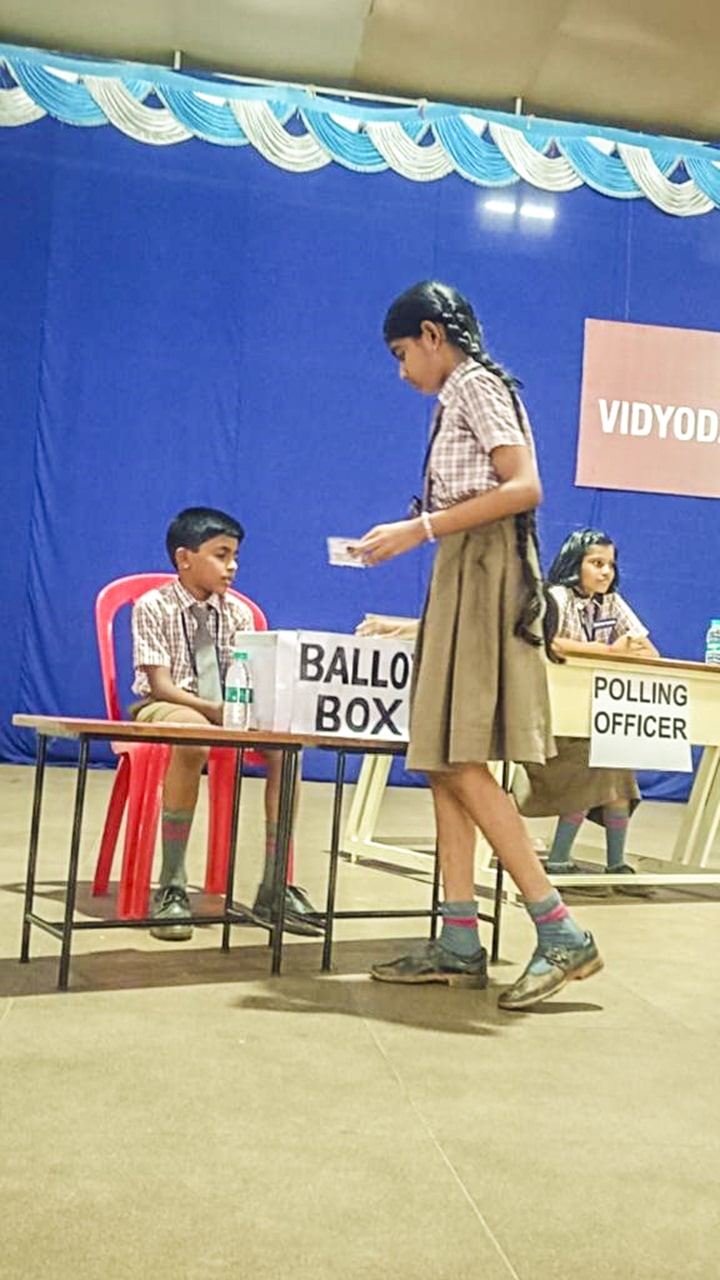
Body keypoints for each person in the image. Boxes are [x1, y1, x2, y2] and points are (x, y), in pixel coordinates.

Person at [353, 281, 602, 1011]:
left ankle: (559, 930)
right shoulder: (457, 396)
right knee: (438, 755)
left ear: (433, 335)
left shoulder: (477, 386)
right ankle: (459, 938)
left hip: (485, 564)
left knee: (460, 754)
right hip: (464, 563)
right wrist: (419, 532)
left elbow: (525, 486)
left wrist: (420, 529)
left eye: (403, 353)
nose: (402, 370)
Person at [130, 506, 322, 941]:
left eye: (235, 556)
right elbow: (159, 684)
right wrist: (212, 711)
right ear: (185, 558)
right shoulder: (153, 606)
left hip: (228, 710)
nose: (231, 566)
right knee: (192, 735)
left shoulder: (236, 614)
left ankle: (275, 884)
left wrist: (245, 710)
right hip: (167, 704)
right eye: (220, 555)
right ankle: (172, 884)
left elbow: (251, 676)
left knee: (285, 750)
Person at [513, 528, 658, 894]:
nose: (606, 572)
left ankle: (615, 866)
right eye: (596, 563)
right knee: (595, 765)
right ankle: (560, 860)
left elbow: (648, 649)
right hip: (549, 721)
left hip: (591, 721)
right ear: (574, 563)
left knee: (617, 764)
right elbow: (551, 644)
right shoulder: (554, 597)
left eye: (610, 564)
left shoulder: (612, 602)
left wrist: (635, 648)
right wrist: (610, 651)